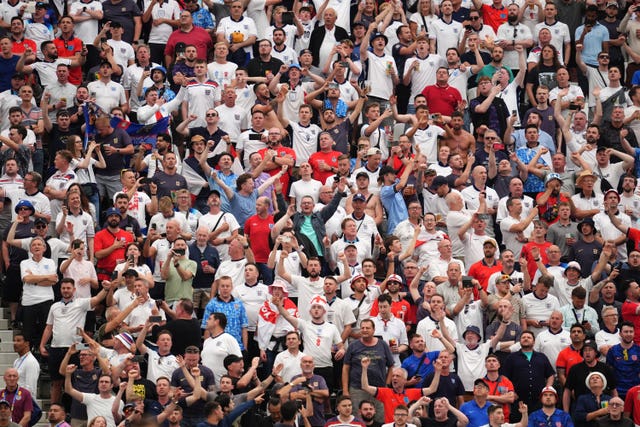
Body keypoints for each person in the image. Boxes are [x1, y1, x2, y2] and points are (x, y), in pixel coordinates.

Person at [360, 355, 442, 423]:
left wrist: (438, 371)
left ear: (404, 380)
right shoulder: (385, 392)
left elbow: (432, 389)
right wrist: (364, 369)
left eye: (397, 376)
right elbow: (365, 386)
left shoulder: (413, 392)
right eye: (393, 376)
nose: (394, 378)